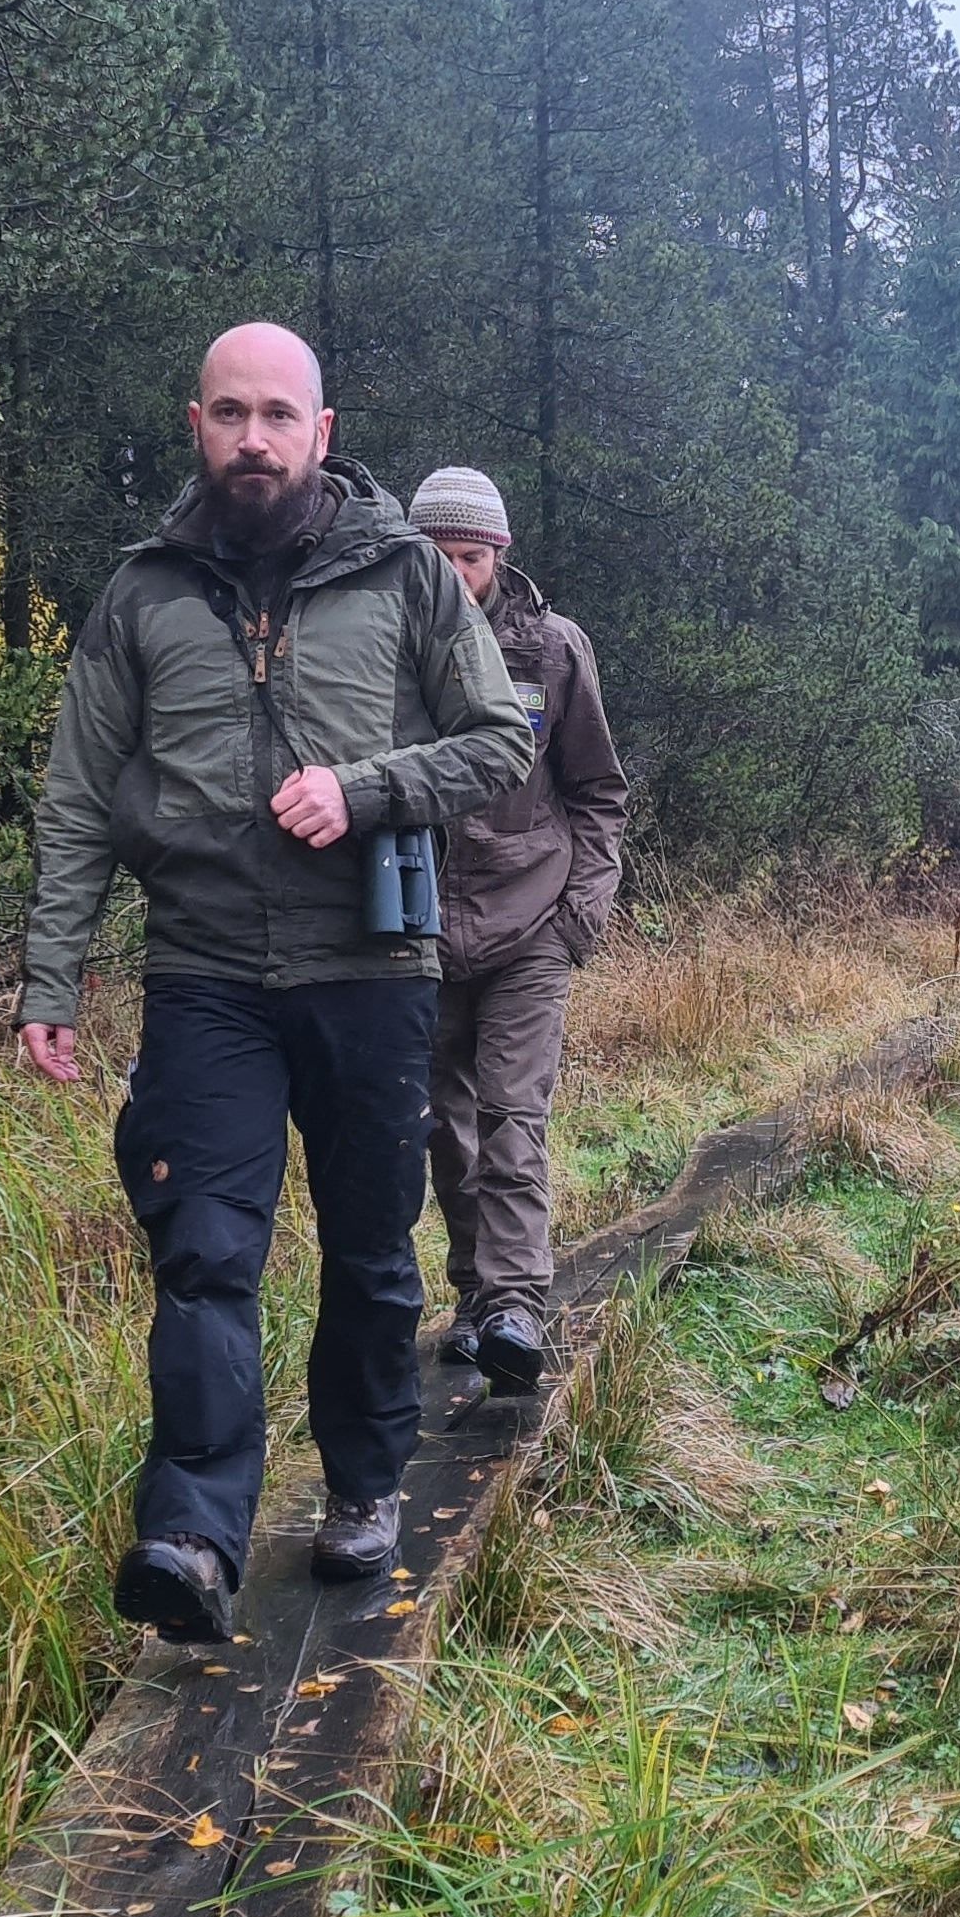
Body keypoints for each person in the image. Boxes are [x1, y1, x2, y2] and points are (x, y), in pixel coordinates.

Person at [14, 324, 532, 1642]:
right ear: (195, 422)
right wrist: (51, 973)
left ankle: (363, 1484)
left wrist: (363, 791)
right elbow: (77, 797)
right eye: (230, 413)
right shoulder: (142, 592)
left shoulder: (409, 575)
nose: (255, 437)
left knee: (369, 1250)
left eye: (278, 414)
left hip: (369, 971)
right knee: (201, 1250)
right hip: (202, 975)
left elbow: (492, 744)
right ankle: (190, 1532)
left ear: (322, 428)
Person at [402, 467, 628, 1394]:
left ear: (500, 554)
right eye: (439, 556)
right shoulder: (384, 642)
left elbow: (598, 790)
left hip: (534, 917)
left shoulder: (555, 649)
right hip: (418, 926)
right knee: (441, 1128)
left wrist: (581, 913)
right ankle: (473, 1298)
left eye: (472, 555)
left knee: (511, 1114)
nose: (458, 574)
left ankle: (516, 1307)